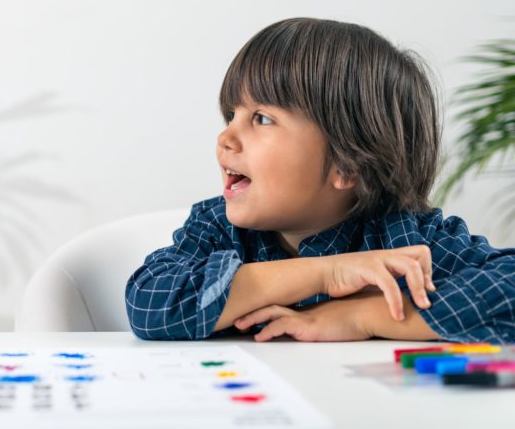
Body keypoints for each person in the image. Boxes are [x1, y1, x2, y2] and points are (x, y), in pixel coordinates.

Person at [126, 18, 515, 343]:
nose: (225, 138)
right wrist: (328, 272)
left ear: (347, 165)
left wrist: (363, 316)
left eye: (261, 118)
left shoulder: (407, 239)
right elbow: (148, 303)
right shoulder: (216, 229)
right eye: (231, 114)